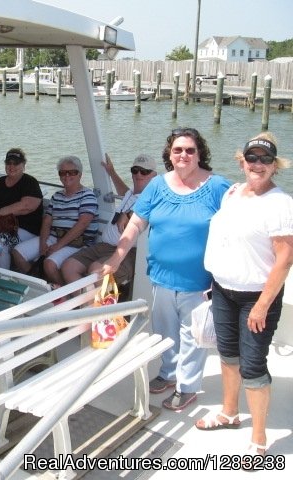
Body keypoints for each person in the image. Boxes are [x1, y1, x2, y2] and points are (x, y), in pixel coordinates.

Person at [102, 128, 231, 411]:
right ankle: (169, 373)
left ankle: (188, 386)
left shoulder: (218, 186)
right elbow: (136, 223)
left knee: (192, 336)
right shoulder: (157, 186)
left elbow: (240, 221)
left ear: (200, 154)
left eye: (189, 150)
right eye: (177, 150)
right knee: (164, 330)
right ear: (169, 154)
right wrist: (116, 256)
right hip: (161, 277)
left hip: (200, 282)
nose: (183, 155)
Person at [197, 133, 293, 460]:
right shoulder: (233, 193)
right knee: (227, 356)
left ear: (275, 167)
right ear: (242, 162)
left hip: (257, 297)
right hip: (223, 291)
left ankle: (259, 437)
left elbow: (285, 257)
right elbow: (227, 240)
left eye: (266, 160)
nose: (258, 165)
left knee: (252, 367)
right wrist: (214, 279)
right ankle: (228, 412)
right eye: (252, 158)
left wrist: (264, 304)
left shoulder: (280, 203)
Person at [61, 153, 157, 288]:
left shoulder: (152, 198)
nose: (139, 175)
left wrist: (128, 214)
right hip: (104, 246)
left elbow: (155, 204)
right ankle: (86, 305)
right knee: (68, 267)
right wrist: (111, 172)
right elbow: (124, 190)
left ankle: (95, 306)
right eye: (135, 170)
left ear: (154, 175)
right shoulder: (131, 194)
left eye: (145, 171)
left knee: (96, 271)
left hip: (128, 252)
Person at [12, 155, 98, 286]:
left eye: (72, 172)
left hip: (78, 243)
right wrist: (42, 243)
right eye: (62, 172)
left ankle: (65, 294)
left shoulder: (88, 196)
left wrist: (59, 245)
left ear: (80, 175)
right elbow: (47, 222)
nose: (67, 176)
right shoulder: (57, 196)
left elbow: (82, 225)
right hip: (54, 237)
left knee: (49, 264)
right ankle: (39, 284)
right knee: (17, 252)